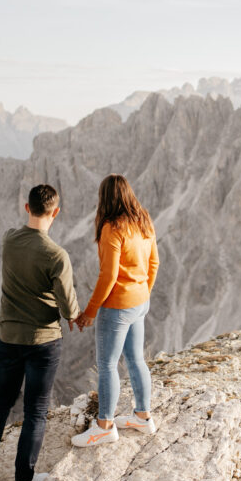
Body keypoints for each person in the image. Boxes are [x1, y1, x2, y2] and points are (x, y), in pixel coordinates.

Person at [0, 184, 80, 481]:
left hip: (8, 338)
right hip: (43, 343)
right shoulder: (57, 256)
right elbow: (69, 309)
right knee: (36, 410)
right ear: (55, 212)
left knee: (2, 399)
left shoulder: (9, 240)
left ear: (26, 208)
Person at [71, 174, 159, 447]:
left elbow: (108, 276)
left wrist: (90, 311)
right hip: (139, 302)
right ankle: (143, 417)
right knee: (136, 360)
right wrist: (142, 293)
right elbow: (154, 263)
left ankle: (105, 425)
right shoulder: (143, 220)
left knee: (108, 365)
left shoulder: (112, 227)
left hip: (118, 307)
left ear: (104, 198)